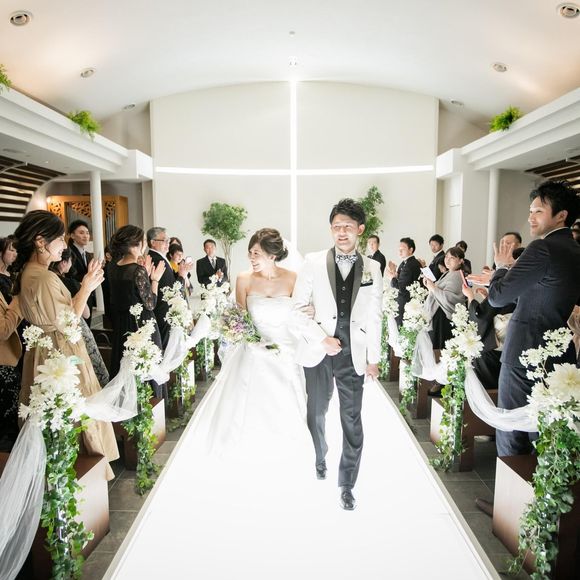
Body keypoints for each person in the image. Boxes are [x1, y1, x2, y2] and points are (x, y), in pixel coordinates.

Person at [470, 180, 580, 457]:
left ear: (561, 215)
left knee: (511, 428)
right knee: (543, 431)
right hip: (558, 354)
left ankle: (509, 485)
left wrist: (501, 268)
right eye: (530, 211)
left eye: (538, 211)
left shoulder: (542, 248)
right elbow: (544, 294)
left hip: (523, 351)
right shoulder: (574, 250)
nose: (530, 217)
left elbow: (497, 297)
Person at [12, 210, 119, 480]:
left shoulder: (31, 273)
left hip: (45, 349)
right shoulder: (43, 277)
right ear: (40, 241)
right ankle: (83, 477)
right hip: (60, 351)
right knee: (73, 411)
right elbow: (68, 321)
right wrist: (86, 287)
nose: (63, 244)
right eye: (60, 239)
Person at [292, 198, 383, 511]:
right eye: (336, 227)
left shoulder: (372, 268)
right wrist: (322, 339)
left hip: (353, 355)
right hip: (318, 352)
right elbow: (296, 309)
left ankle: (347, 484)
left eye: (347, 227)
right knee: (316, 412)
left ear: (360, 229)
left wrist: (374, 359)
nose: (341, 232)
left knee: (352, 419)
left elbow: (375, 315)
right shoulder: (313, 262)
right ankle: (320, 455)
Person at [108, 225, 166, 385]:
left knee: (125, 368)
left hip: (122, 325)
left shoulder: (113, 267)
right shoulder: (137, 270)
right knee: (144, 367)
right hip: (140, 325)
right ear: (136, 244)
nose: (145, 244)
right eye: (144, 241)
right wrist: (155, 280)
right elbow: (150, 304)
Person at [50, 249, 110, 387]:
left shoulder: (48, 281)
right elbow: (86, 313)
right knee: (87, 371)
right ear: (63, 263)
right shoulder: (70, 283)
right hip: (75, 329)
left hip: (54, 335)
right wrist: (85, 289)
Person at [422, 247, 467, 395]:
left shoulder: (457, 276)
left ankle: (442, 383)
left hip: (444, 317)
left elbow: (450, 298)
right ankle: (439, 380)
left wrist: (433, 288)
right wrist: (431, 286)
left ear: (460, 261)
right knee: (437, 348)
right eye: (446, 257)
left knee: (441, 349)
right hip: (439, 315)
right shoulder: (449, 273)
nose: (447, 260)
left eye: (452, 258)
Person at [146, 227, 188, 350]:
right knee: (165, 347)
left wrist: (179, 274)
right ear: (153, 242)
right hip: (162, 310)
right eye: (164, 240)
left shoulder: (160, 257)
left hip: (164, 309)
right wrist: (181, 276)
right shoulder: (157, 260)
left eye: (168, 240)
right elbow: (170, 290)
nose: (167, 243)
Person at [0, 292, 22, 445]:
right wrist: (18, 302)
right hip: (3, 366)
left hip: (7, 363)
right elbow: (3, 331)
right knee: (6, 432)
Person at [385, 237, 422, 327]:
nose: (400, 252)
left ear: (410, 250)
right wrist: (394, 272)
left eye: (403, 249)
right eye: (399, 249)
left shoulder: (410, 265)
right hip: (404, 302)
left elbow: (400, 287)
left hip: (406, 303)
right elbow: (402, 279)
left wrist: (391, 277)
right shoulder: (405, 263)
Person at [67, 219, 96, 326]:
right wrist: (91, 273)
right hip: (76, 294)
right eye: (81, 233)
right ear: (72, 236)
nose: (86, 236)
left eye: (87, 233)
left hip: (88, 294)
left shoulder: (88, 254)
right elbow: (70, 275)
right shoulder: (69, 253)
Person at [0, 236, 17, 303]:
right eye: (12, 250)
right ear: (1, 252)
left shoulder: (14, 275)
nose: (15, 254)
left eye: (17, 251)